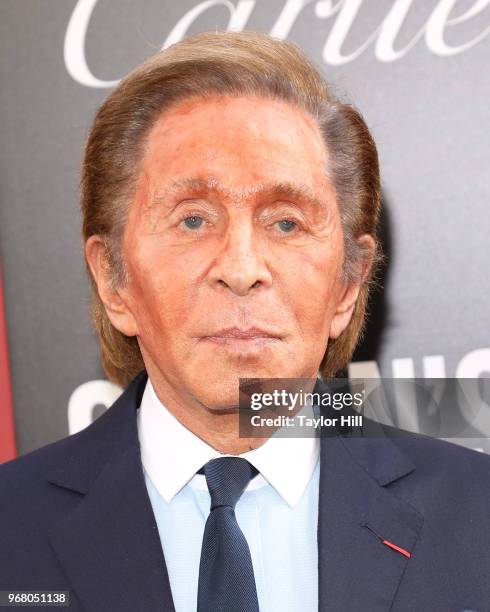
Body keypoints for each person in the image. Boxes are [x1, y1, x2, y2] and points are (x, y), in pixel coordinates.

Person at [1, 30, 489, 612]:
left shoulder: (478, 517)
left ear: (348, 285)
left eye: (285, 223)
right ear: (113, 279)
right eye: (192, 220)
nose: (240, 268)